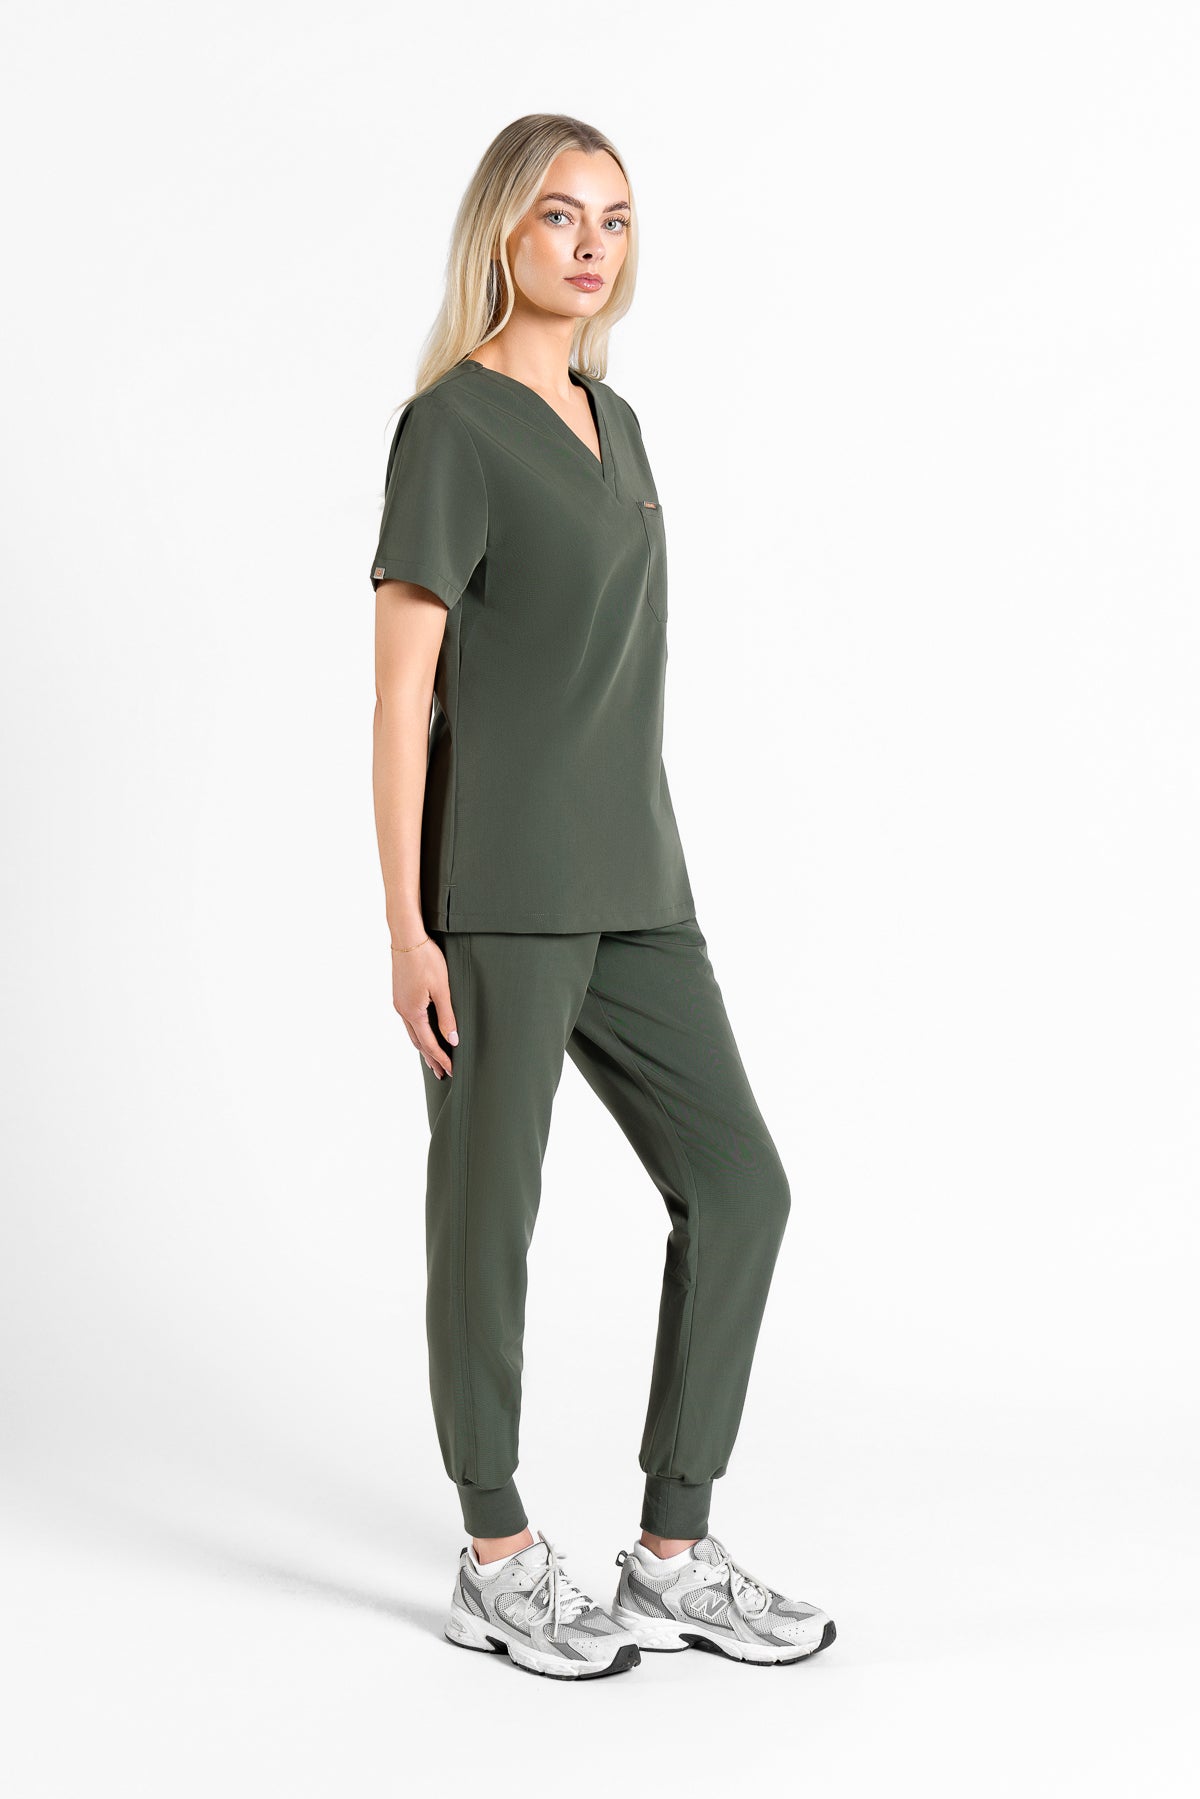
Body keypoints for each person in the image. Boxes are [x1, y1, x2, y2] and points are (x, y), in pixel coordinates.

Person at [369, 113, 836, 1680]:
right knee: (487, 1223)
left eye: (616, 219)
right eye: (561, 215)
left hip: (638, 878)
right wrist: (407, 926)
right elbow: (400, 697)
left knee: (742, 1187)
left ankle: (671, 1556)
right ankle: (495, 1556)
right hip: (495, 892)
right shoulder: (452, 426)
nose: (591, 245)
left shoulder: (615, 423)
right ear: (502, 233)